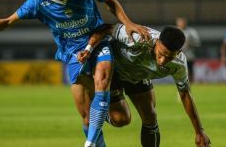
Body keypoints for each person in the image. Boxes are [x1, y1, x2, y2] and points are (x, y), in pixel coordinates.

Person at [0, 0, 149, 146]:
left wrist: (129, 24)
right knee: (106, 119)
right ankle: (98, 117)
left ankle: (89, 142)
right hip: (73, 55)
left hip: (98, 42)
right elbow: (8, 21)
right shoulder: (38, 2)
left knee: (101, 79)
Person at [78, 23, 211, 147]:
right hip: (114, 71)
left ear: (179, 52)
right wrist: (88, 49)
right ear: (157, 41)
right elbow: (106, 28)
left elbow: (185, 94)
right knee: (121, 119)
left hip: (137, 76)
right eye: (161, 54)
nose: (162, 61)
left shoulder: (179, 65)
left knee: (151, 116)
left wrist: (199, 130)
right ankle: (96, 104)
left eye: (169, 57)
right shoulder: (139, 37)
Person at [176, 17, 201, 82]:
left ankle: (190, 85)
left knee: (189, 71)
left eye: (183, 22)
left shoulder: (192, 32)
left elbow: (197, 43)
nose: (182, 24)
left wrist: (190, 44)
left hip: (189, 56)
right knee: (179, 72)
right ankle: (180, 85)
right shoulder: (174, 31)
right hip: (177, 56)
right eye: (180, 22)